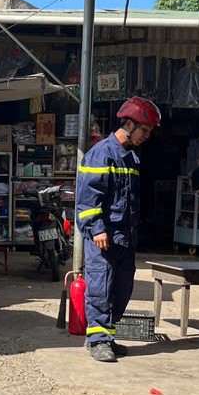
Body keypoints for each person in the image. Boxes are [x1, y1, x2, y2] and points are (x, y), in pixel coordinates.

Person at [75, 96, 161, 363]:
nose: (146, 136)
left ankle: (108, 336)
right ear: (129, 124)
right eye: (144, 130)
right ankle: (98, 340)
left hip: (125, 238)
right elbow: (87, 198)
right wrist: (97, 228)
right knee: (101, 287)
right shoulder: (101, 153)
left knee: (121, 289)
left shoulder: (130, 158)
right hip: (103, 237)